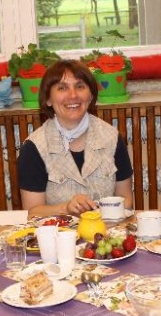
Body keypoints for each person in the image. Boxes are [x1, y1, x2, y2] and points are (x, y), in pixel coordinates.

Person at [18, 59, 133, 216]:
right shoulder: (34, 147)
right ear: (48, 99)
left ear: (91, 96)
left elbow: (126, 200)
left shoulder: (111, 137)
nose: (73, 95)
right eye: (62, 88)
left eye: (80, 86)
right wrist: (65, 208)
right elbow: (32, 212)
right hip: (57, 231)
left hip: (106, 228)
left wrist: (101, 214)